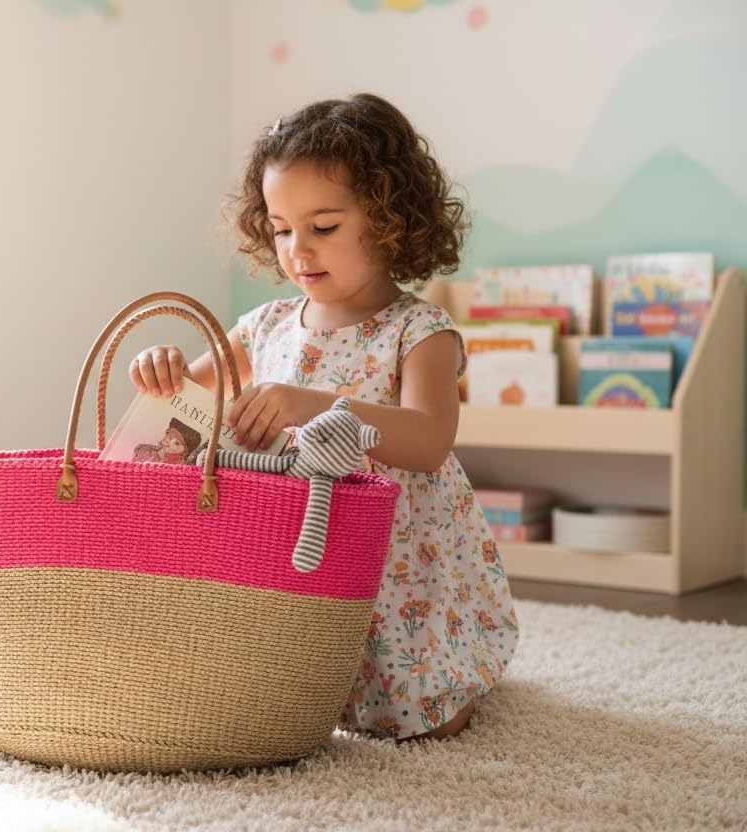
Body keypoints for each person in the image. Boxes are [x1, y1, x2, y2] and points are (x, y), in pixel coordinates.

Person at [128, 94, 518, 740]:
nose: (297, 250)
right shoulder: (265, 326)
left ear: (389, 220)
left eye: (324, 227)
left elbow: (428, 439)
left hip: (394, 558)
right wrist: (161, 366)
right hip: (289, 542)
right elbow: (184, 401)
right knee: (277, 697)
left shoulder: (419, 330)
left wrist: (315, 405)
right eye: (282, 229)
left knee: (425, 720)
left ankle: (443, 675)